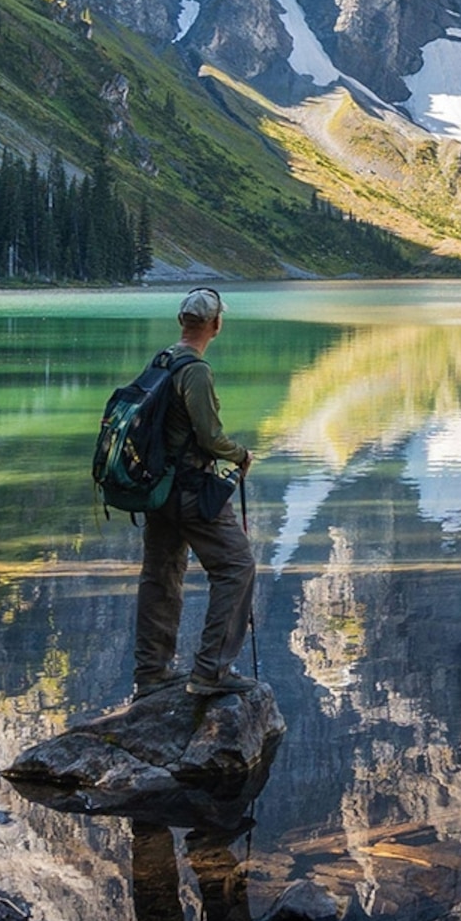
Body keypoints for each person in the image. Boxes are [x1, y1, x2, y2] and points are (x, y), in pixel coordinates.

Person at [133, 288, 259, 696]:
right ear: (216, 325)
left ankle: (152, 671)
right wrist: (240, 454)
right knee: (236, 566)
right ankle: (211, 672)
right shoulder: (196, 371)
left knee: (160, 576)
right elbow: (209, 437)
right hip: (190, 490)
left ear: (180, 320)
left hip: (157, 492)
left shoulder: (162, 360)